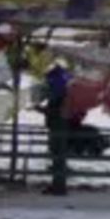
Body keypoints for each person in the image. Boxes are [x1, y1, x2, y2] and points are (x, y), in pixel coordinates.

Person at [38, 65, 71, 196]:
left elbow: (55, 111)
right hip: (57, 126)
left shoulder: (59, 95)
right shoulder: (61, 94)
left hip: (59, 127)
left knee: (59, 158)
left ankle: (59, 186)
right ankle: (57, 184)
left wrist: (42, 110)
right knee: (57, 158)